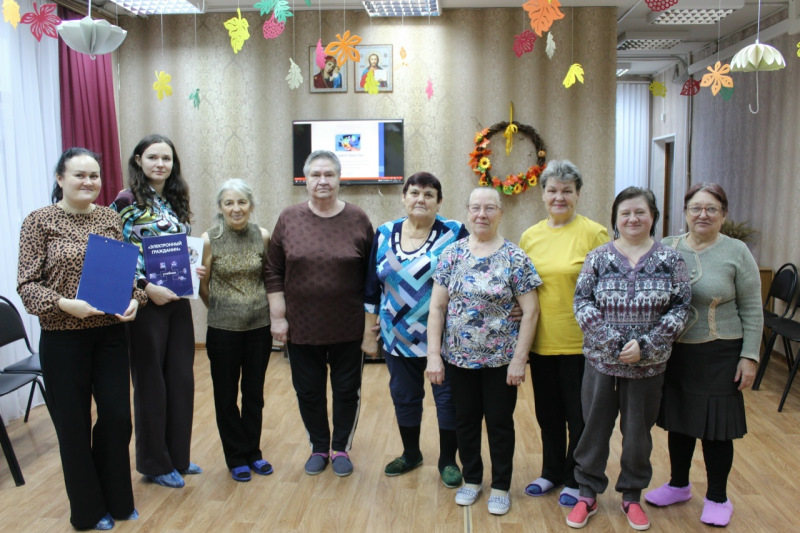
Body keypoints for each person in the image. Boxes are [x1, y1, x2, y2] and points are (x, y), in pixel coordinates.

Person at [17, 148, 145, 530]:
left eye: (94, 175)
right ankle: (88, 511)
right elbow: (26, 286)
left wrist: (135, 299)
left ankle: (117, 499)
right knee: (73, 427)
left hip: (109, 335)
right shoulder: (39, 221)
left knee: (118, 419)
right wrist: (62, 304)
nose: (88, 182)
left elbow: (126, 274)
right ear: (60, 179)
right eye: (79, 175)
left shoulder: (109, 218)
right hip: (63, 339)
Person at [567, 186, 691, 531]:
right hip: (601, 363)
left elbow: (681, 307)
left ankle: (632, 497)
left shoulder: (672, 260)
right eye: (625, 213)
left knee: (638, 434)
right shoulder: (598, 258)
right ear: (616, 219)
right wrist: (613, 342)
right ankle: (587, 494)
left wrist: (646, 346)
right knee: (593, 429)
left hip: (648, 367)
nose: (633, 219)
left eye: (640, 212)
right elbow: (582, 302)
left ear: (653, 217)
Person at [645, 183, 762, 528]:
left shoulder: (737, 251)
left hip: (721, 351)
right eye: (696, 208)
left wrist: (750, 356)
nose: (703, 215)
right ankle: (678, 485)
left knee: (716, 429)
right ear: (685, 212)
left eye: (712, 209)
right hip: (676, 352)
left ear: (723, 215)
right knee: (679, 421)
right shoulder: (668, 247)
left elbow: (753, 308)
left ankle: (717, 497)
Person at [426, 187, 542, 516]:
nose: (482, 214)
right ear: (467, 212)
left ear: (500, 214)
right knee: (465, 421)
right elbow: (437, 308)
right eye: (475, 208)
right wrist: (434, 355)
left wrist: (519, 360)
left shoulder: (515, 257)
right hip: (459, 359)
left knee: (499, 423)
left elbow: (531, 311)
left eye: (490, 208)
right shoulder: (452, 254)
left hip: (500, 361)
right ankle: (472, 479)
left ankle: (501, 485)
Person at [265, 150, 374, 477]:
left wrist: (372, 326)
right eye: (316, 175)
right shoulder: (289, 218)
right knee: (308, 391)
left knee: (346, 391)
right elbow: (273, 270)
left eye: (329, 174)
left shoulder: (358, 218)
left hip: (348, 327)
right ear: (306, 179)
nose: (322, 181)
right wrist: (278, 317)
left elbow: (371, 275)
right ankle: (318, 446)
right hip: (302, 326)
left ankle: (340, 448)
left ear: (340, 179)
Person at [363, 172, 469, 488]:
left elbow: (470, 277)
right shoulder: (384, 233)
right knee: (404, 396)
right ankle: (411, 454)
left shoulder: (454, 232)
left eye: (428, 194)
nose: (420, 199)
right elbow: (370, 287)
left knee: (448, 399)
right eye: (414, 193)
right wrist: (369, 332)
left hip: (444, 336)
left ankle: (448, 460)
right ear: (404, 197)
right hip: (396, 334)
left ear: (439, 201)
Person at [111, 134, 204, 489]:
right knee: (151, 383)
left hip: (177, 300)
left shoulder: (174, 199)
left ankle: (177, 456)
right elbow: (116, 252)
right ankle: (154, 462)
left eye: (166, 158)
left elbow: (179, 248)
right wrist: (145, 286)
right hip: (146, 303)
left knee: (180, 379)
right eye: (152, 157)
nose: (160, 164)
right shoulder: (126, 201)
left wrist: (191, 267)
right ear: (138, 160)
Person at [518, 160, 609, 507]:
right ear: (542, 195)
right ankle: (551, 472)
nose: (560, 197)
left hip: (581, 344)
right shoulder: (530, 236)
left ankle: (576, 478)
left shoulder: (595, 233)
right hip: (541, 342)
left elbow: (607, 290)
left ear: (578, 194)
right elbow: (522, 287)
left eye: (567, 191)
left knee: (579, 416)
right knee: (548, 415)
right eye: (553, 190)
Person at [199, 179, 273, 483]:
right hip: (222, 330)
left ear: (251, 205)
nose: (236, 208)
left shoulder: (262, 236)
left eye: (242, 202)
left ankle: (253, 452)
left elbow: (269, 277)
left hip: (259, 327)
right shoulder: (209, 239)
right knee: (226, 396)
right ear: (220, 207)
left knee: (254, 394)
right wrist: (220, 308)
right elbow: (202, 285)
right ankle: (236, 457)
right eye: (229, 203)